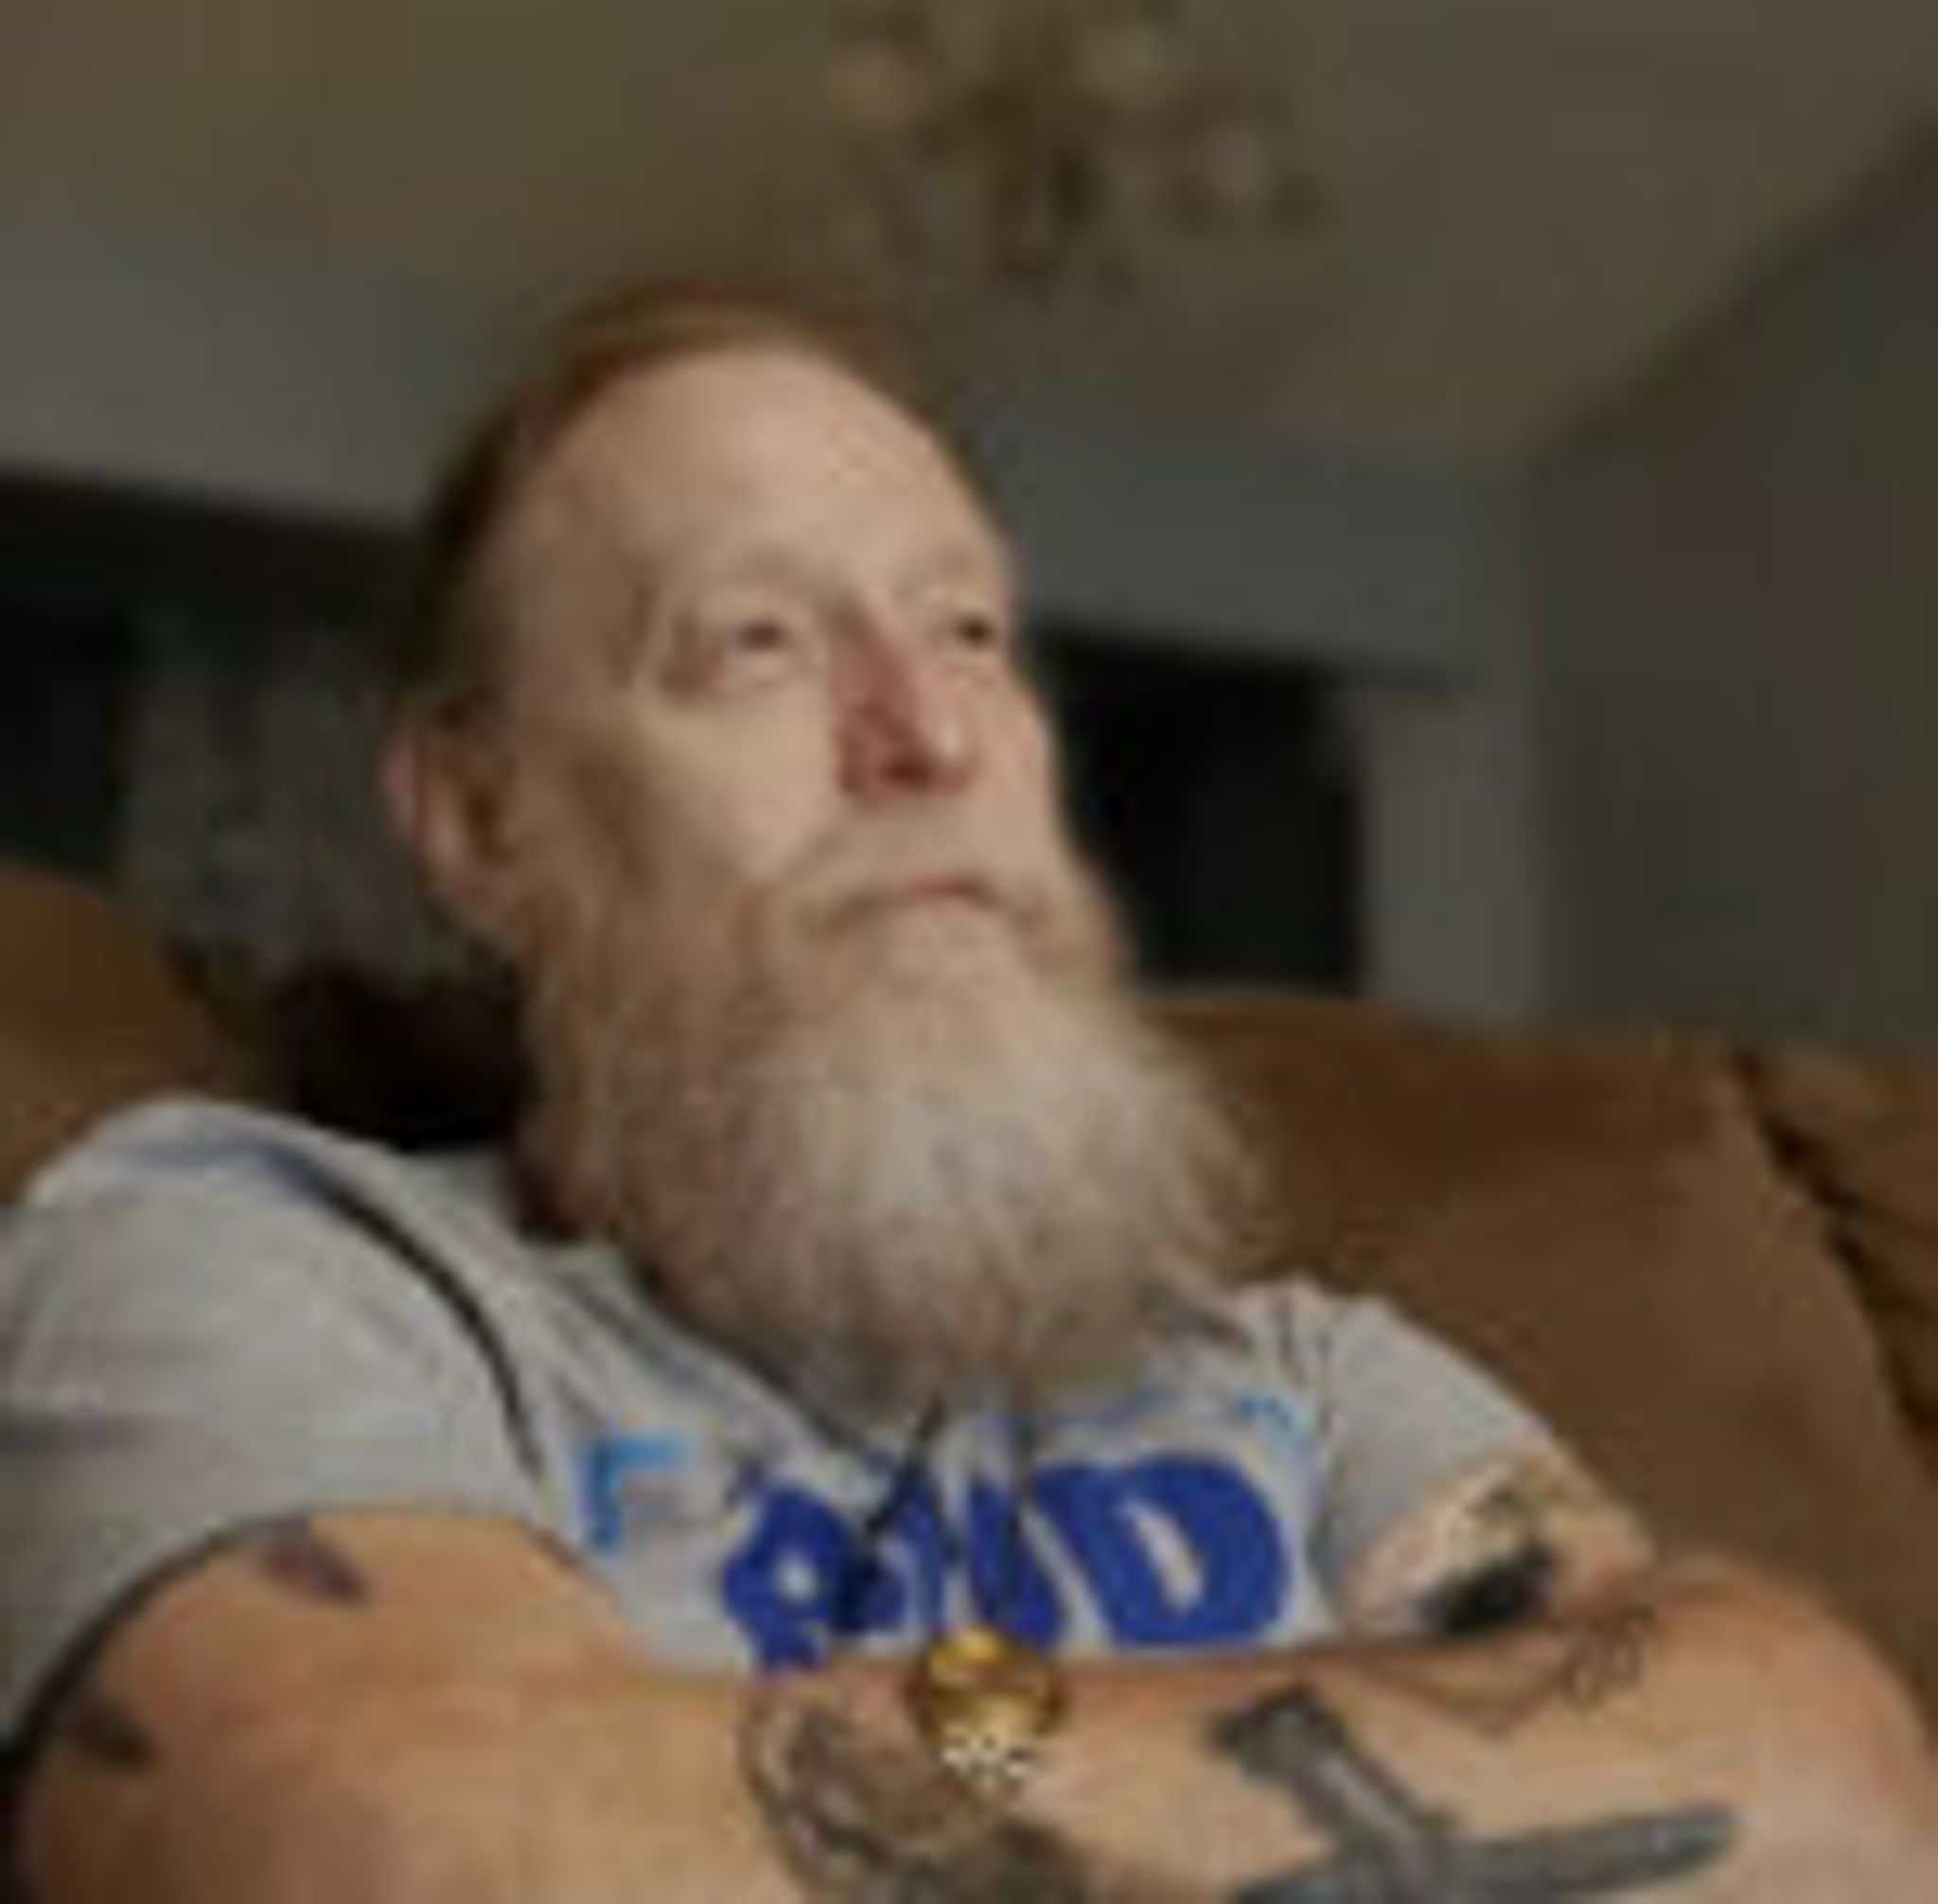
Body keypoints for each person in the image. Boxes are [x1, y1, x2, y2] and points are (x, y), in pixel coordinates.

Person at [0, 286, 1931, 1904]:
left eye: (968, 631)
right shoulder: (258, 1263)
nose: (927, 733)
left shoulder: (1307, 1376)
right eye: (756, 642)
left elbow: (1825, 1797)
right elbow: (381, 1854)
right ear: (483, 821)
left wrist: (710, 1781)